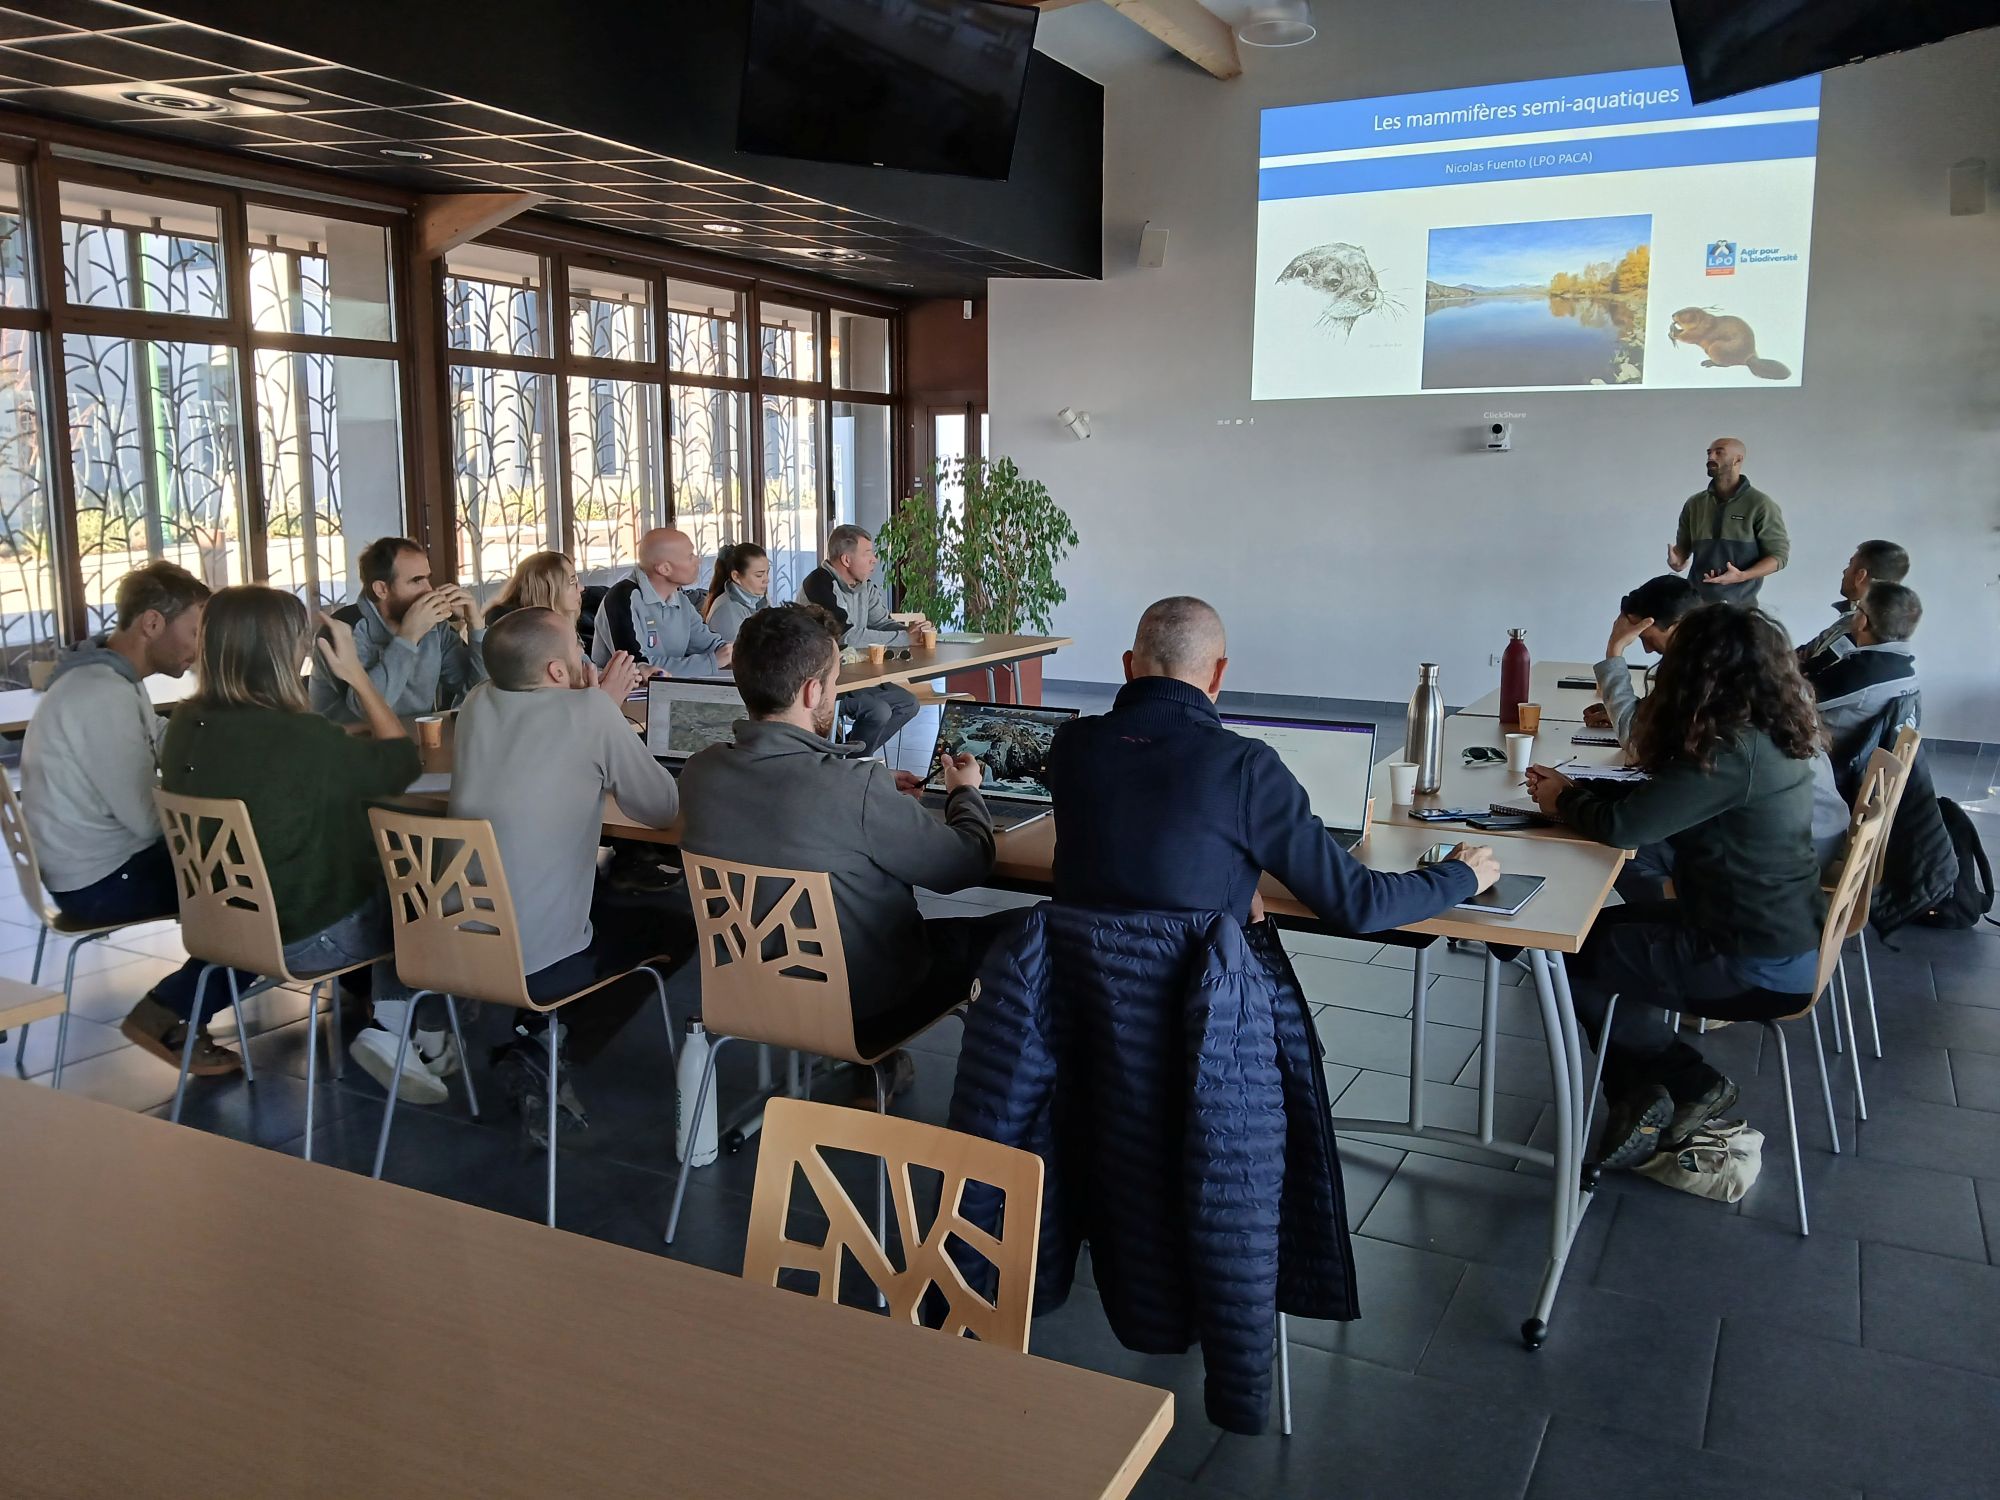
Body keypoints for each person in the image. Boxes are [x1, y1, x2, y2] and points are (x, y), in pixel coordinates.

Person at [1525, 604, 1828, 1168]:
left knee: (1564, 949)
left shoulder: (1730, 752)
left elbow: (1626, 828)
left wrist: (1563, 799)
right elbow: (1663, 802)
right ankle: (1650, 1093)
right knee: (1588, 932)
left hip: (1750, 961)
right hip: (1773, 936)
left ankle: (1679, 1084)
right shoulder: (1765, 735)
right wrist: (1578, 795)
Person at [678, 603, 999, 1097]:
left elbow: (789, 802)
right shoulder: (855, 789)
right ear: (812, 692)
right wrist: (965, 792)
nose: (835, 691)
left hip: (745, 990)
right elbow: (966, 863)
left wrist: (871, 788)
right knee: (1029, 928)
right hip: (865, 1005)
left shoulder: (701, 773)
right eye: (834, 682)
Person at [161, 587, 454, 1106]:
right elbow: (403, 765)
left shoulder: (186, 722)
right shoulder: (299, 736)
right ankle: (402, 1029)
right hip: (303, 934)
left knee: (379, 871)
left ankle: (418, 1033)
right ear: (280, 649)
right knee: (415, 882)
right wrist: (359, 677)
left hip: (219, 920)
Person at [1046, 596, 1498, 931]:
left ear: (1128, 666)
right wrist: (1461, 875)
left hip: (1078, 1006)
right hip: (1201, 1022)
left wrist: (1224, 879)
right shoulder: (1242, 766)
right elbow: (1361, 903)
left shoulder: (1070, 744)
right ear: (1220, 673)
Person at [450, 609, 688, 1145]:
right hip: (533, 960)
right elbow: (661, 807)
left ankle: (531, 1028)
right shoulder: (589, 713)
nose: (588, 659)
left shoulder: (475, 703)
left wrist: (595, 707)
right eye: (579, 651)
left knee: (594, 890)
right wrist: (605, 708)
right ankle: (545, 1046)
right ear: (559, 673)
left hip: (450, 941)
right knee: (673, 928)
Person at [20, 563, 255, 1074]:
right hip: (101, 882)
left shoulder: (105, 679)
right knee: (263, 895)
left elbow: (163, 745)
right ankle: (167, 1014)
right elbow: (150, 822)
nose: (200, 648)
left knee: (260, 873)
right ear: (151, 624)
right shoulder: (101, 695)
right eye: (195, 632)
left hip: (84, 867)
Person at [311, 536, 486, 724]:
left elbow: (476, 691)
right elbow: (365, 711)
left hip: (413, 743)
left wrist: (475, 625)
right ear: (381, 589)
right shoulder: (343, 630)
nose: (429, 590)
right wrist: (408, 637)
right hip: (350, 745)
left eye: (428, 578)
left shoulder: (434, 627)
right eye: (417, 581)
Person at [799, 524, 922, 757]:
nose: (874, 560)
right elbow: (846, 635)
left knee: (908, 703)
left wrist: (912, 632)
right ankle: (849, 766)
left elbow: (882, 623)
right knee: (879, 711)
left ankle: (849, 762)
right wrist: (905, 637)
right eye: (868, 554)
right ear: (846, 559)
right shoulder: (819, 583)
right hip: (824, 682)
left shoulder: (865, 586)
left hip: (858, 676)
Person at [591, 527, 732, 676]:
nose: (698, 561)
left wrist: (734, 653)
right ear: (665, 569)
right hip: (625, 697)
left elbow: (710, 645)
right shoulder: (622, 599)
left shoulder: (680, 599)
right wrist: (712, 662)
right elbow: (639, 668)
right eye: (690, 556)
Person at [1582, 574, 1701, 747]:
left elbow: (1637, 743)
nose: (1648, 649)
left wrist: (1614, 650)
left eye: (1648, 638)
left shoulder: (1703, 673)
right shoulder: (1699, 659)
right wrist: (1634, 712)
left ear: (1677, 627)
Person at [1668, 437, 1788, 606]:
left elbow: (1779, 557)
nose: (1711, 458)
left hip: (1739, 608)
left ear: (1738, 459)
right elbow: (1683, 548)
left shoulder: (1760, 504)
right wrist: (1677, 561)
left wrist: (1742, 575)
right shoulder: (1694, 503)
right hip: (1695, 606)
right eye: (1709, 453)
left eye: (1719, 452)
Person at [1806, 581, 1922, 748]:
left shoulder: (1862, 671)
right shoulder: (1905, 669)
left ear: (1863, 621)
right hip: (1866, 761)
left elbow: (1795, 698)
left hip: (1831, 762)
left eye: (1858, 608)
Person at [1799, 539, 1910, 668]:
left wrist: (1795, 669)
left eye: (1850, 565)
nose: (1844, 571)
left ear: (1860, 576)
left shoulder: (1857, 630)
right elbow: (1803, 654)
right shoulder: (1892, 631)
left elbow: (1807, 676)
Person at [484, 550, 584, 638]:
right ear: (546, 589)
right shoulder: (509, 627)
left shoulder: (564, 617)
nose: (581, 588)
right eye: (572, 581)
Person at [702, 541, 770, 644]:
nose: (766, 580)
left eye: (767, 573)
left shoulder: (759, 600)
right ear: (736, 576)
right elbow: (735, 656)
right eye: (759, 575)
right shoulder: (727, 610)